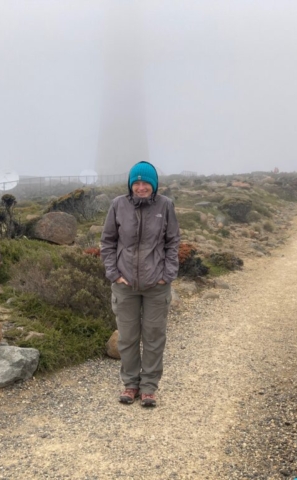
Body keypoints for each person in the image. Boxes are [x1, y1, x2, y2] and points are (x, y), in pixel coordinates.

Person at [100, 161, 180, 407]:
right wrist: (114, 274)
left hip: (157, 285)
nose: (141, 187)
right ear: (131, 184)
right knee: (127, 338)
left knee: (154, 336)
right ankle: (131, 384)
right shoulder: (118, 205)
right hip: (125, 285)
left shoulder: (165, 205)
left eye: (146, 183)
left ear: (154, 185)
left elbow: (173, 241)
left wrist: (167, 274)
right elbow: (108, 241)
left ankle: (149, 387)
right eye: (137, 182)